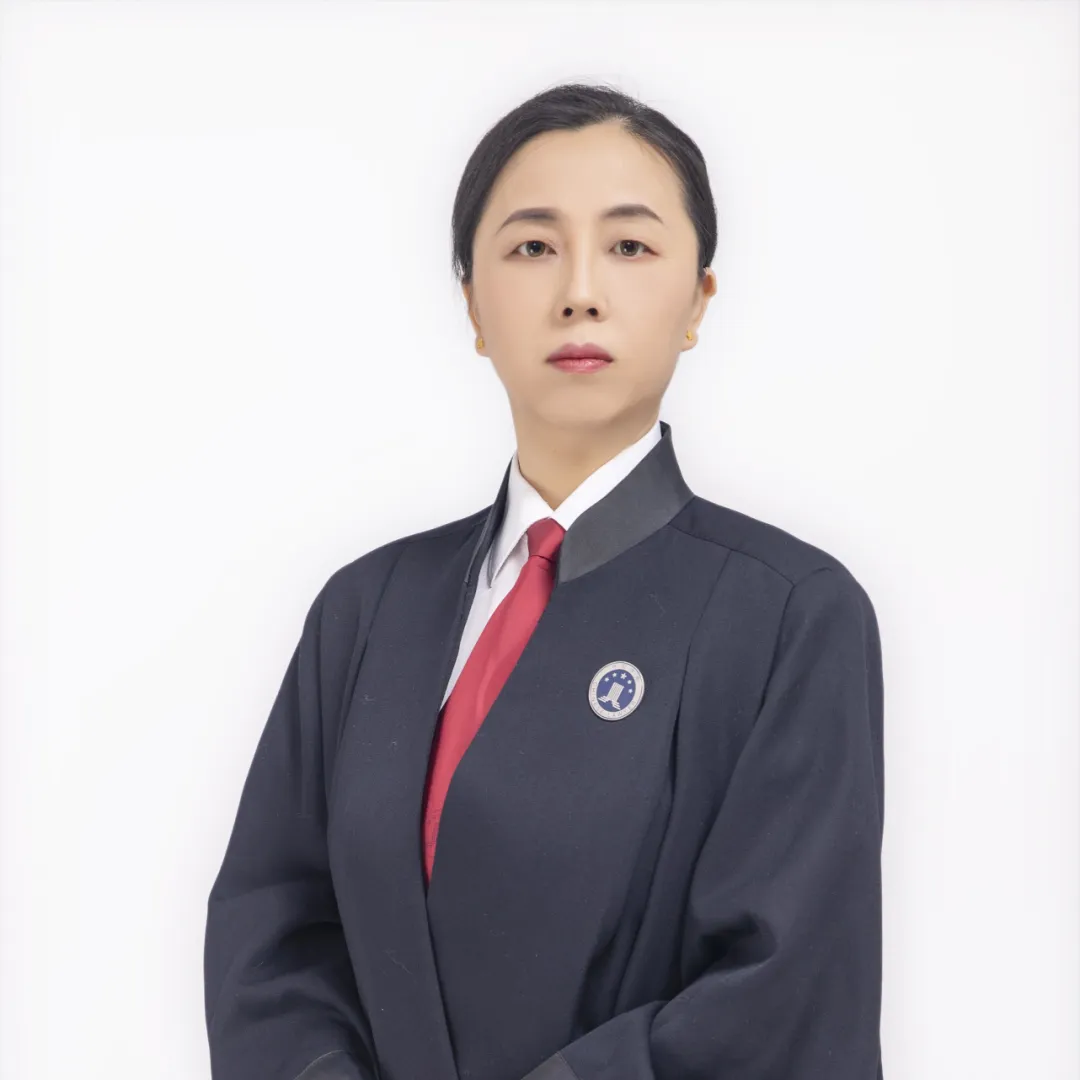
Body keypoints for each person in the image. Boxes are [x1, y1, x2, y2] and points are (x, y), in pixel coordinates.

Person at [203, 81, 885, 1080]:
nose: (580, 291)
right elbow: (271, 935)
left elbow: (788, 993)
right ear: (473, 305)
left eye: (630, 245)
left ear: (698, 302)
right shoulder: (366, 610)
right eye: (531, 247)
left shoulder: (789, 614)